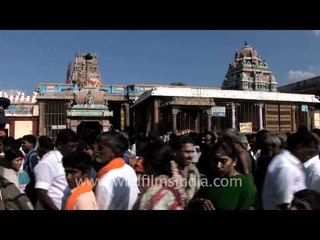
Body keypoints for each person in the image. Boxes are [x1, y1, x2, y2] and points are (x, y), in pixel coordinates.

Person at [262, 131, 319, 210]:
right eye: (308, 151)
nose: (309, 155)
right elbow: (284, 203)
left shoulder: (289, 163)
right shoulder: (286, 167)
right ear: (300, 147)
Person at [34, 129, 79, 210]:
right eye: (71, 147)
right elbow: (41, 194)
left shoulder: (70, 160)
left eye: (76, 147)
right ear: (60, 145)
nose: (74, 150)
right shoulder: (47, 162)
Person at [94, 131, 139, 210]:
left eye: (100, 148)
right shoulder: (129, 170)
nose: (96, 151)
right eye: (97, 147)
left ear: (114, 151)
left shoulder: (105, 182)